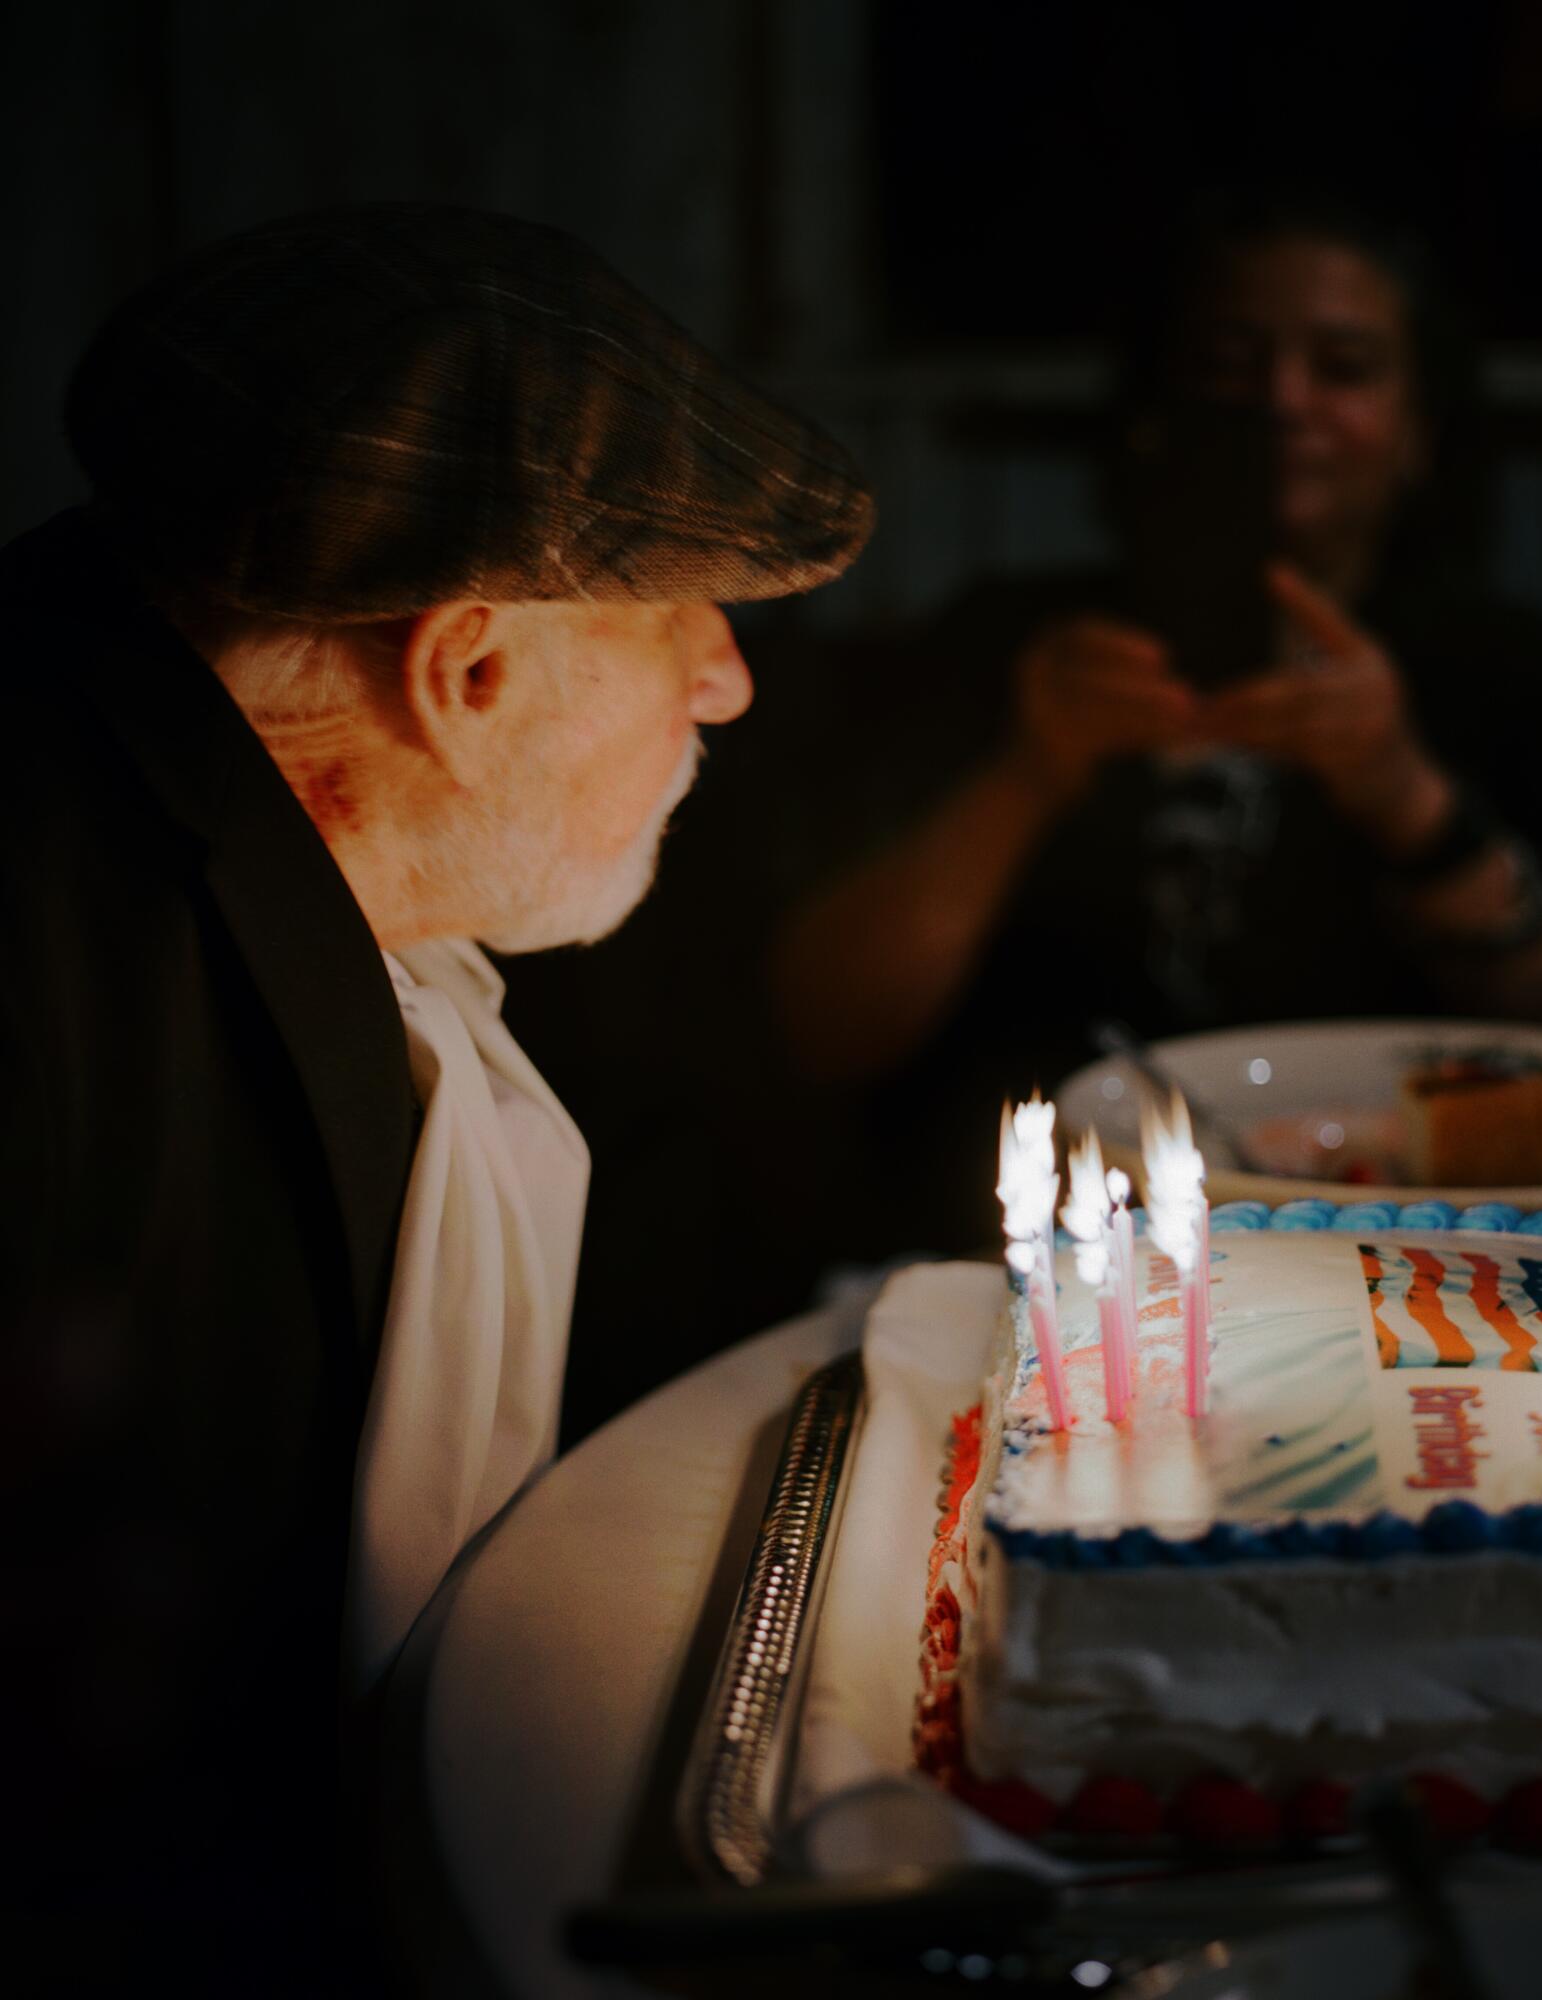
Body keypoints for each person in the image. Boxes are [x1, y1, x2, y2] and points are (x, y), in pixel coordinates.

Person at [0, 203, 871, 1990]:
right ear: (466, 674)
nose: (729, 676)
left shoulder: (159, 740)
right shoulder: (58, 1020)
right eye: (680, 616)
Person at [765, 189, 1542, 1255]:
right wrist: (1027, 769)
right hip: (1025, 1248)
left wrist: (1403, 790)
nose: (1282, 403)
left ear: (1416, 433)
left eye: (1344, 367)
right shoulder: (1011, 639)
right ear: (1157, 405)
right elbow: (823, 1025)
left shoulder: (1493, 662)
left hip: (1394, 1250)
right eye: (1233, 362)